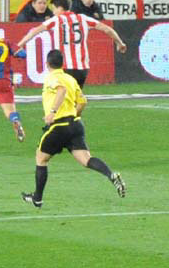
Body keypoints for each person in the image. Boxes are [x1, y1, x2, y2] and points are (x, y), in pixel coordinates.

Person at [21, 49, 126, 208]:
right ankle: (111, 175)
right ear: (62, 64)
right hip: (75, 125)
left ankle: (37, 198)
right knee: (86, 159)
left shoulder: (52, 78)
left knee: (40, 158)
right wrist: (72, 118)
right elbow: (82, 101)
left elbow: (61, 90)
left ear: (47, 63)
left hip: (58, 126)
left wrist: (52, 113)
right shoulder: (70, 78)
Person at [16, 0, 126, 88]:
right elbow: (107, 29)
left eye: (54, 8)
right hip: (82, 68)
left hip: (64, 67)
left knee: (62, 99)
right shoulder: (83, 18)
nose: (53, 12)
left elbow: (35, 31)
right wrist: (119, 43)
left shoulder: (56, 20)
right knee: (75, 99)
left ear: (59, 8)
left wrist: (20, 44)